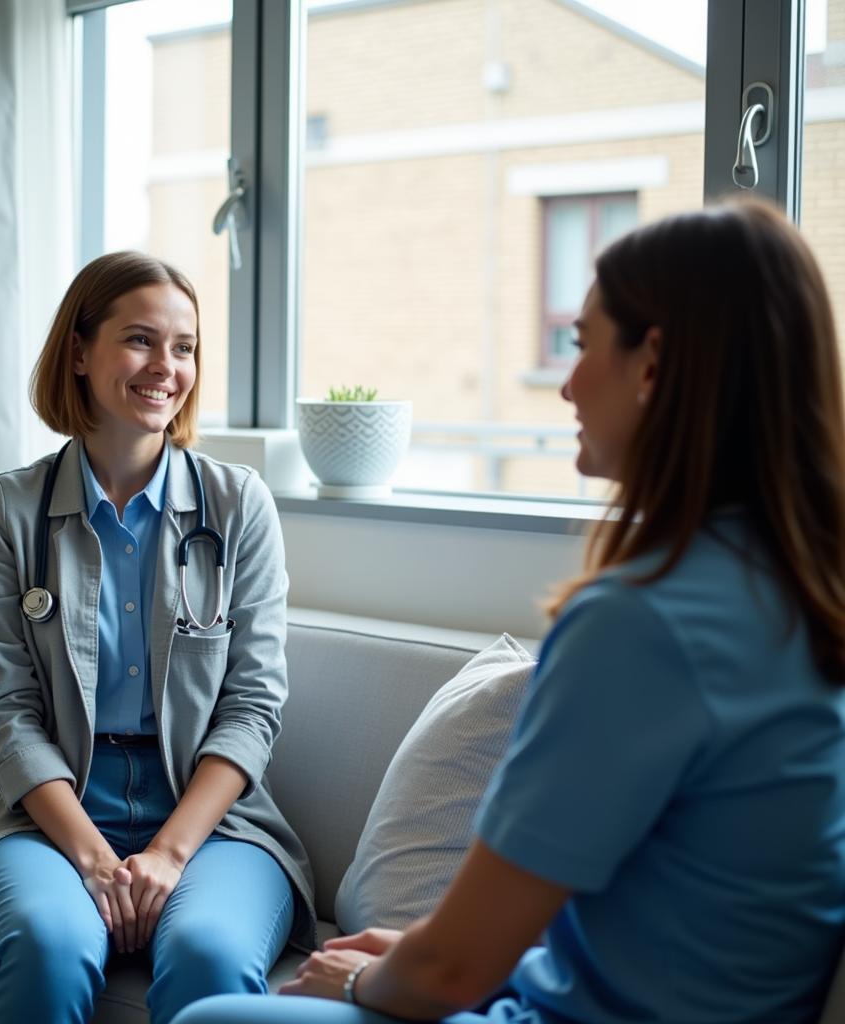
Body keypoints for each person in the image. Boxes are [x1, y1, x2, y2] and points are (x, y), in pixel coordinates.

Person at [171, 199, 845, 1024]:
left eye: (582, 342)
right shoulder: (803, 595)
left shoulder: (638, 626)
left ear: (653, 365)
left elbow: (451, 974)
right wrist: (431, 952)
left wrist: (363, 980)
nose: (565, 382)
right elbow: (683, 918)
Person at [0, 252, 316, 1024]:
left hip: (210, 818)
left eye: (185, 347)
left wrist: (167, 854)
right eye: (140, 340)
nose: (167, 367)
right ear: (79, 351)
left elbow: (253, 706)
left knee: (210, 956)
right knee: (51, 944)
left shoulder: (238, 506)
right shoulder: (9, 510)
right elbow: (6, 712)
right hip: (43, 811)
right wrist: (93, 857)